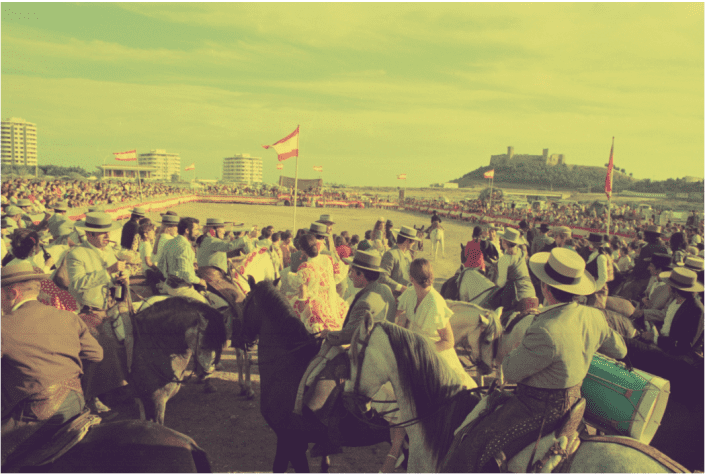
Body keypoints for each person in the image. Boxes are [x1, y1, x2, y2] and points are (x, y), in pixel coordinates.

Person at [440, 247, 627, 473]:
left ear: (545, 288)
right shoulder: (594, 316)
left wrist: (517, 351)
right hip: (576, 400)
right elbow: (620, 350)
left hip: (536, 408)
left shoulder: (545, 328)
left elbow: (509, 371)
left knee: (472, 442)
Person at [1, 261, 104, 465]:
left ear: (12, 293)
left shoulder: (3, 326)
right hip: (76, 402)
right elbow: (96, 354)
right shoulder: (68, 317)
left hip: (37, 412)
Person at [65, 212, 129, 414]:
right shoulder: (76, 254)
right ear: (89, 234)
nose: (107, 236)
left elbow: (112, 278)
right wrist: (108, 272)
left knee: (131, 339)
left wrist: (122, 278)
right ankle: (90, 396)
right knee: (97, 351)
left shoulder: (109, 250)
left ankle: (120, 386)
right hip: (87, 311)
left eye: (108, 232)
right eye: (102, 233)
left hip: (111, 308)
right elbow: (76, 285)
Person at [396, 258, 476, 388]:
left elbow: (449, 341)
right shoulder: (410, 293)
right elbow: (397, 314)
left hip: (434, 353)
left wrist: (421, 351)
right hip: (411, 347)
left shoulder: (435, 303)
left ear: (411, 278)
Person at [286, 233, 348, 334]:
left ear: (302, 250)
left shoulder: (306, 266)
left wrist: (301, 309)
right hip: (330, 300)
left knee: (287, 308)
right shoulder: (328, 258)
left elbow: (303, 290)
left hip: (315, 302)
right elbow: (335, 279)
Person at [157, 217, 208, 304]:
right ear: (187, 230)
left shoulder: (169, 242)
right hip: (180, 289)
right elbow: (187, 276)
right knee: (206, 304)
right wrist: (200, 281)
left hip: (167, 285)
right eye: (196, 230)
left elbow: (160, 265)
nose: (198, 233)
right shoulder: (185, 247)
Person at [494, 227, 537, 313]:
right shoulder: (520, 252)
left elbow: (501, 283)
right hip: (533, 295)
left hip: (519, 298)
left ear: (505, 243)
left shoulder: (505, 259)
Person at [621, 225, 668, 301]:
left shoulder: (647, 248)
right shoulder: (664, 248)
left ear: (651, 236)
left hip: (644, 279)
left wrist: (631, 273)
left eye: (646, 234)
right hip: (658, 279)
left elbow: (639, 267)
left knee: (625, 289)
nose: (644, 236)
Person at [378, 225, 422, 297]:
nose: (414, 243)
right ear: (407, 241)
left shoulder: (408, 253)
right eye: (413, 241)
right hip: (392, 297)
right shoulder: (390, 254)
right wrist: (401, 288)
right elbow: (382, 277)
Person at [583, 233, 613, 309]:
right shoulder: (594, 254)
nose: (588, 244)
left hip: (597, 290)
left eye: (589, 242)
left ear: (593, 244)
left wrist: (593, 289)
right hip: (590, 286)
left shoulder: (601, 257)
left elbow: (603, 278)